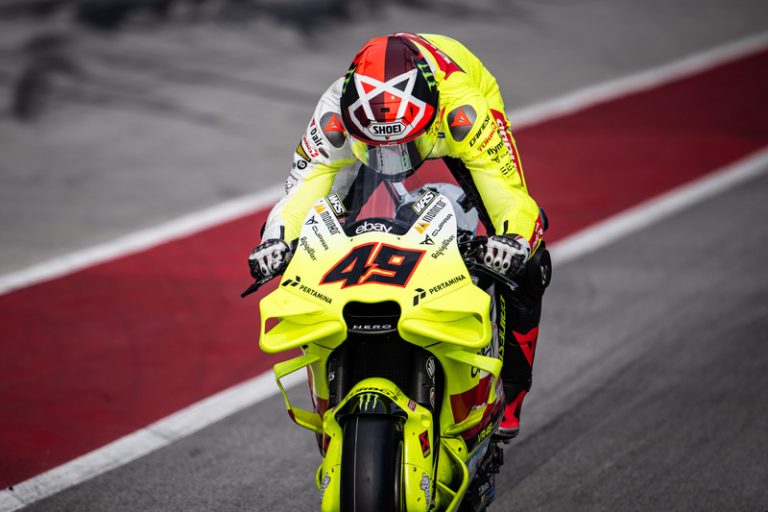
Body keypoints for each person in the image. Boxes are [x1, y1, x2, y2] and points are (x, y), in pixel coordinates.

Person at [249, 33, 551, 440]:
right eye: (378, 149)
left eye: (402, 148)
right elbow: (302, 189)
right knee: (310, 242)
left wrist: (513, 240)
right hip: (378, 128)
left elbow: (508, 194)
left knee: (528, 261)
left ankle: (510, 396)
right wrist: (275, 240)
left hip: (460, 111)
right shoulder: (335, 112)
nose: (391, 163)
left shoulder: (462, 108)